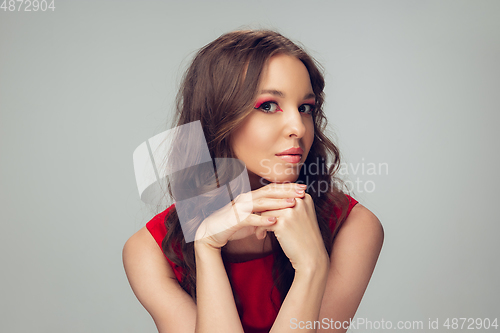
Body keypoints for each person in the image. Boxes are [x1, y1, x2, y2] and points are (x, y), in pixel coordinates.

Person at [123, 30, 384, 333]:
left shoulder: (353, 227)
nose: (298, 127)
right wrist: (207, 248)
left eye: (306, 108)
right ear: (218, 118)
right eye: (268, 106)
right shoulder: (150, 251)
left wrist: (312, 267)